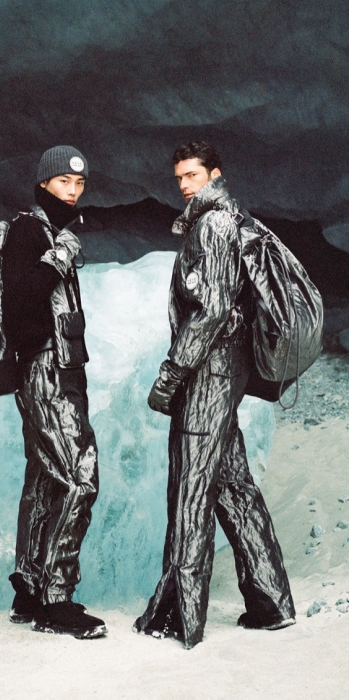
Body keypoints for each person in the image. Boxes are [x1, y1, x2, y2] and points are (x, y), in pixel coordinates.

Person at [133, 141, 295, 649]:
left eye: (193, 175)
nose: (185, 185)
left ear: (214, 174)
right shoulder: (229, 220)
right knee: (232, 486)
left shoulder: (215, 225)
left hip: (209, 372)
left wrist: (171, 374)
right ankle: (272, 603)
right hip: (225, 369)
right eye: (180, 177)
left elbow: (212, 310)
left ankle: (178, 616)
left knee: (191, 488)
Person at [1, 145, 106, 639]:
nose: (73, 190)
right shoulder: (28, 230)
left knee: (46, 479)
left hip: (61, 370)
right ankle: (56, 600)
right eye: (64, 181)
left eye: (79, 183)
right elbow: (20, 301)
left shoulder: (52, 231)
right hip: (44, 371)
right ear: (44, 183)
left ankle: (28, 589)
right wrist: (59, 256)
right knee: (80, 476)